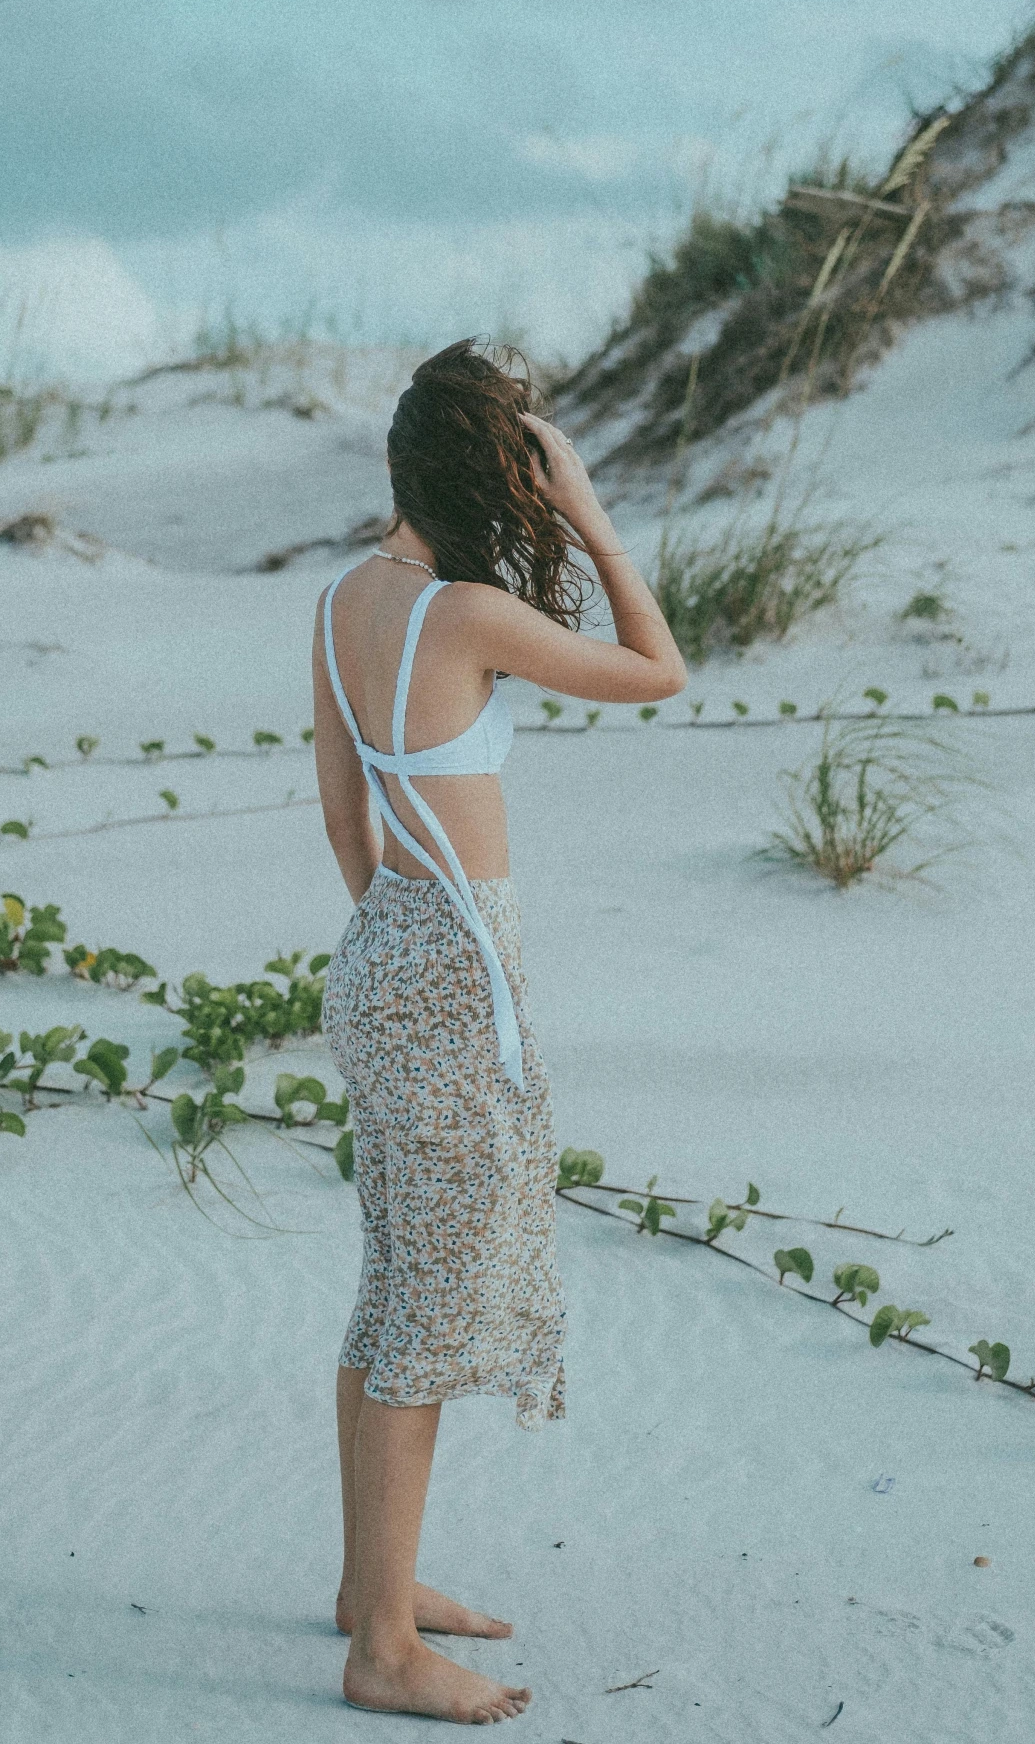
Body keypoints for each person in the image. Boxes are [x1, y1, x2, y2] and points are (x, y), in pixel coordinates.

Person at [312, 339, 686, 1724]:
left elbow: (346, 814)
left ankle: (373, 1592)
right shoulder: (464, 611)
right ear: (495, 467)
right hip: (454, 972)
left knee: (388, 1281)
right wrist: (588, 513)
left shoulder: (347, 594)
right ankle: (385, 1654)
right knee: (423, 1306)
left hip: (386, 948)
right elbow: (660, 668)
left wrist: (400, 942)